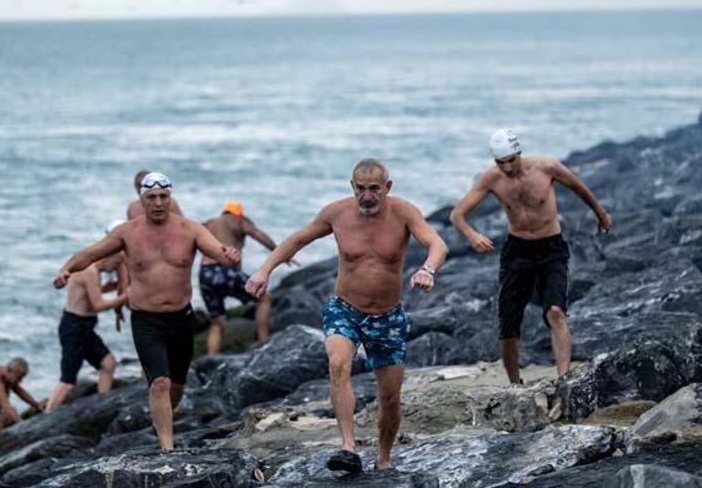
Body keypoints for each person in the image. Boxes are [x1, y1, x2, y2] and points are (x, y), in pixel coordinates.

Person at [246, 159, 448, 472]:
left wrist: (427, 268)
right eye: (361, 189)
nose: (367, 196)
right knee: (338, 362)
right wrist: (264, 270)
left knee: (390, 398)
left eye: (374, 189)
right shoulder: (336, 213)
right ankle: (348, 448)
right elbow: (298, 239)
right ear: (352, 186)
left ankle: (383, 458)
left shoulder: (403, 212)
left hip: (388, 317)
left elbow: (436, 243)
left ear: (387, 188)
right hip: (345, 309)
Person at [54, 172, 240, 450]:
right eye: (151, 197)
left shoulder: (190, 230)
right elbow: (90, 254)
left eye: (163, 197)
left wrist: (230, 256)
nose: (158, 202)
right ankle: (168, 448)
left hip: (181, 318)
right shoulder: (127, 233)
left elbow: (218, 252)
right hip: (146, 320)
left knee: (176, 385)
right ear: (142, 200)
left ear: (170, 198)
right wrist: (66, 269)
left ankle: (161, 419)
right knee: (160, 383)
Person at [449, 129, 612, 385]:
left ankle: (564, 379)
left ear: (519, 153)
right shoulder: (491, 178)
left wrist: (601, 214)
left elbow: (579, 188)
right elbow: (457, 215)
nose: (507, 167)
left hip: (551, 248)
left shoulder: (547, 167)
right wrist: (472, 236)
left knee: (556, 311)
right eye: (500, 162)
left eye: (511, 160)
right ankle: (515, 383)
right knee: (509, 321)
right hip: (518, 250)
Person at [200, 201, 298, 354]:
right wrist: (281, 253)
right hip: (225, 271)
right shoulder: (238, 220)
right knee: (264, 297)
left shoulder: (209, 224)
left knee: (217, 323)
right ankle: (263, 343)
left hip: (205, 274)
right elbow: (258, 235)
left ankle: (211, 358)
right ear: (238, 213)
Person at [45, 249, 128, 411]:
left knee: (108, 363)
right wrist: (126, 297)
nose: (117, 268)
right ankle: (47, 414)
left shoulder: (92, 271)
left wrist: (110, 288)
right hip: (74, 328)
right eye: (117, 263)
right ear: (108, 257)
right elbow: (97, 305)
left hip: (85, 328)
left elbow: (87, 294)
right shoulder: (89, 272)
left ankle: (100, 406)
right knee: (67, 382)